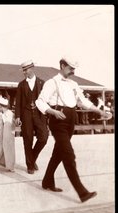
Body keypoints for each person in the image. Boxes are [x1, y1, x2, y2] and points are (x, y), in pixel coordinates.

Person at [35, 56, 110, 203]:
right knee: (69, 155)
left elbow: (83, 102)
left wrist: (100, 112)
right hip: (58, 120)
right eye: (71, 68)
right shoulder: (52, 83)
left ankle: (47, 181)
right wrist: (53, 112)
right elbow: (40, 101)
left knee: (59, 153)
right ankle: (82, 192)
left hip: (71, 121)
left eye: (74, 69)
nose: (73, 72)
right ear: (62, 65)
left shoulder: (73, 84)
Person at [15, 60, 48, 174]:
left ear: (32, 69)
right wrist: (18, 116)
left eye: (26, 70)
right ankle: (30, 165)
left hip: (39, 115)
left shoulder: (42, 83)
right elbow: (18, 102)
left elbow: (46, 100)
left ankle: (32, 158)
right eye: (23, 70)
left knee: (43, 138)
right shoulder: (21, 85)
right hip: (26, 115)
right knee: (27, 140)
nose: (24, 72)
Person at [0, 97, 16, 172]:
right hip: (1, 136)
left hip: (9, 136)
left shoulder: (11, 114)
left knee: (9, 150)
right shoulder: (0, 115)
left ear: (2, 106)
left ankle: (10, 166)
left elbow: (14, 124)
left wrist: (13, 132)